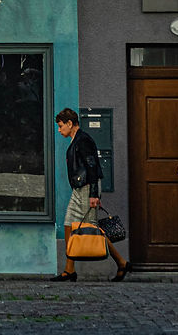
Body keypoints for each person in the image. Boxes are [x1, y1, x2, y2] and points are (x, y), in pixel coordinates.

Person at [51, 107, 129, 282]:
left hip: (87, 188)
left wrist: (94, 194)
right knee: (69, 225)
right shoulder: (75, 140)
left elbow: (92, 166)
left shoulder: (83, 140)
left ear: (70, 123)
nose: (59, 129)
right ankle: (69, 270)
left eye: (61, 125)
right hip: (79, 189)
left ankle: (122, 263)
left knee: (93, 228)